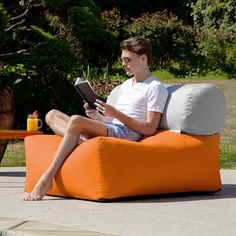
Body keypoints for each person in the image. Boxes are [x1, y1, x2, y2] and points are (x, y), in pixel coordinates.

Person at [23, 37, 168, 201]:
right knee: (51, 114)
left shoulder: (155, 88)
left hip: (126, 135)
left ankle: (47, 178)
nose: (123, 64)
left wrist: (115, 113)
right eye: (122, 60)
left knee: (76, 121)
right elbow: (112, 121)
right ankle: (80, 140)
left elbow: (149, 127)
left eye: (128, 60)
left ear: (143, 58)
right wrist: (97, 117)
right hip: (111, 127)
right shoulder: (126, 85)